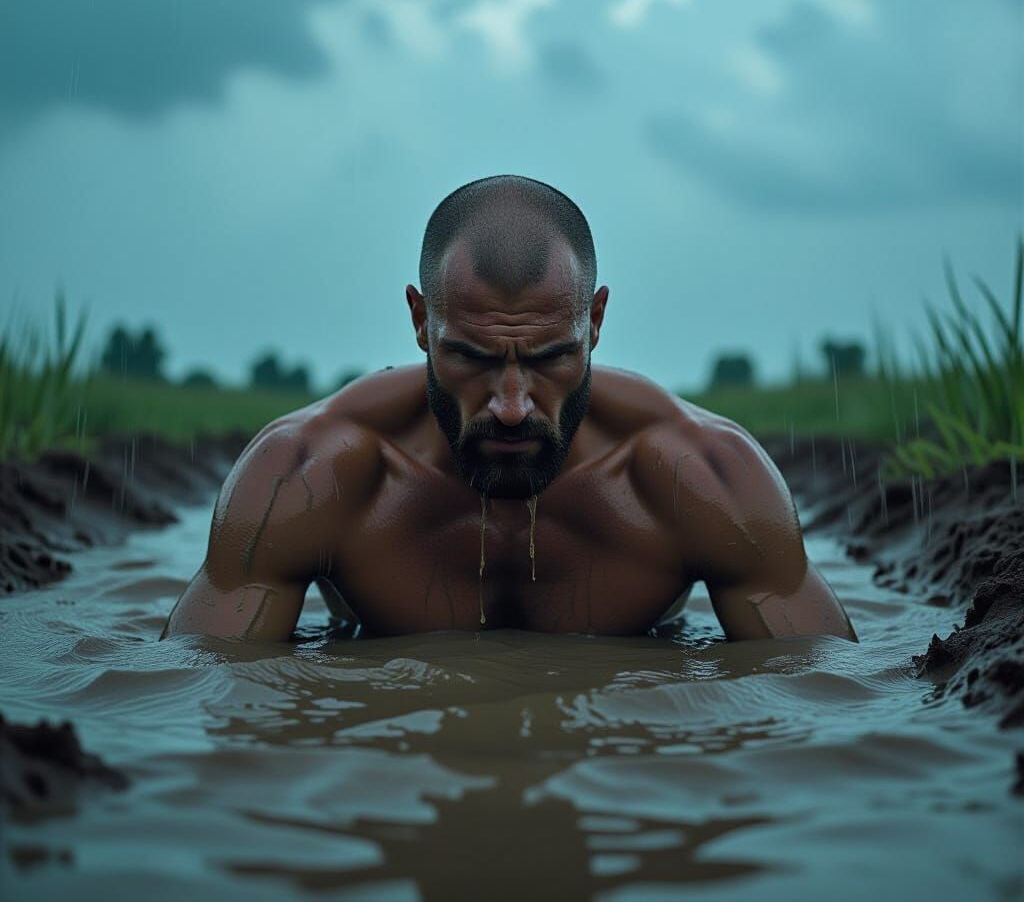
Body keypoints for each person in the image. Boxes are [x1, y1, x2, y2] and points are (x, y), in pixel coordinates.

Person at [161, 175, 857, 643]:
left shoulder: (705, 478)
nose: (514, 406)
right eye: (472, 357)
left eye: (552, 357)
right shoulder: (305, 475)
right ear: (420, 321)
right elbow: (202, 704)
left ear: (595, 321)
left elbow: (818, 706)